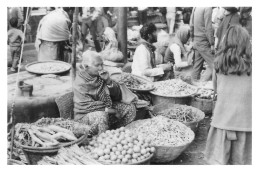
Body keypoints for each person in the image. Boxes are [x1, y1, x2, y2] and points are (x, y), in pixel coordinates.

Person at [205, 25, 252, 165]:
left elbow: (216, 90)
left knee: (219, 163)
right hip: (247, 125)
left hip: (222, 123)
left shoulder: (218, 65)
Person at [73, 50, 136, 135]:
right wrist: (113, 111)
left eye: (102, 64)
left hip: (105, 108)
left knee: (130, 108)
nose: (101, 68)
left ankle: (115, 132)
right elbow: (88, 107)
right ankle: (102, 138)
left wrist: (108, 81)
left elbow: (117, 96)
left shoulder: (100, 76)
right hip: (85, 115)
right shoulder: (80, 83)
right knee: (101, 116)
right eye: (97, 65)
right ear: (86, 66)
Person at [190, 7, 215, 82]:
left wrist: (192, 39)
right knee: (215, 65)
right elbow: (208, 27)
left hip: (196, 39)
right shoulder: (207, 8)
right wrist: (212, 43)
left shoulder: (196, 7)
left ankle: (194, 85)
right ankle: (204, 83)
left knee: (197, 65)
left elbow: (191, 25)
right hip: (203, 41)